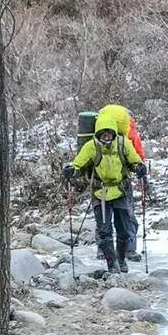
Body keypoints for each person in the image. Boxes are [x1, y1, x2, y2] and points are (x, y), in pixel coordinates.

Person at [63, 105, 147, 274]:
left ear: (115, 133)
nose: (106, 137)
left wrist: (139, 168)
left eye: (109, 134)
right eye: (103, 134)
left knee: (123, 230)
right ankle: (113, 266)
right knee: (104, 231)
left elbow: (135, 160)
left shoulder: (123, 144)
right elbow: (79, 164)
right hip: (99, 193)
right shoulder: (91, 147)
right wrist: (72, 170)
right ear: (98, 133)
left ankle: (121, 259)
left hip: (121, 191)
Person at [99, 103, 147, 261]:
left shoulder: (99, 131)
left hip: (100, 183)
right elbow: (137, 149)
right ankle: (130, 249)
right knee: (127, 214)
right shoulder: (128, 128)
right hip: (123, 180)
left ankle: (103, 249)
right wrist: (142, 169)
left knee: (103, 216)